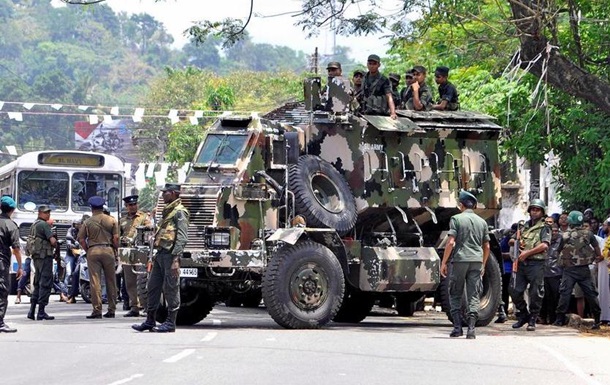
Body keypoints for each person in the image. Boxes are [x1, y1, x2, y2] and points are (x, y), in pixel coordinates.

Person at [133, 183, 189, 333]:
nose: (163, 195)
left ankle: (171, 322)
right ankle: (150, 320)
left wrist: (176, 259)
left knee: (171, 288)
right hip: (161, 254)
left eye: (166, 192)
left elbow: (182, 238)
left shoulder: (179, 212)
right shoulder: (167, 211)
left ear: (174, 193)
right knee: (152, 287)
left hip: (171, 255)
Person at [440, 190, 490, 339]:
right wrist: (484, 263)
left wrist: (444, 262)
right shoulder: (482, 222)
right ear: (473, 205)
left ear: (461, 205)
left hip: (460, 260)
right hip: (476, 261)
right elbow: (487, 246)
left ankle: (457, 328)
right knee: (473, 294)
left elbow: (450, 242)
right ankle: (471, 329)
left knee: (455, 293)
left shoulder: (456, 219)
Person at [553, 211, 602, 329]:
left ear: (570, 221)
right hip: (584, 269)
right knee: (591, 294)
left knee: (565, 293)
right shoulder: (589, 234)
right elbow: (597, 249)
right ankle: (597, 320)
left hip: (569, 269)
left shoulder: (565, 235)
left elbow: (558, 250)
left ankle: (559, 319)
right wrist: (597, 257)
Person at [509, 199, 550, 331]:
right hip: (521, 263)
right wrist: (516, 242)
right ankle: (523, 314)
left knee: (535, 292)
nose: (534, 212)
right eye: (532, 209)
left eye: (537, 210)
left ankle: (533, 318)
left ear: (542, 212)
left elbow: (545, 245)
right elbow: (512, 239)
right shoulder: (524, 226)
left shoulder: (545, 227)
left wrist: (527, 253)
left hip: (536, 263)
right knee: (514, 290)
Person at [78, 196, 119, 319]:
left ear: (91, 208)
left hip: (93, 251)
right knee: (111, 281)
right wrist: (115, 250)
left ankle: (97, 310)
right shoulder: (112, 220)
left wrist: (88, 250)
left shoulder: (87, 222)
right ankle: (112, 309)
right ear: (103, 207)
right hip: (108, 250)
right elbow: (116, 238)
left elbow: (81, 239)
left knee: (95, 282)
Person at [120, 195, 151, 317]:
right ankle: (134, 306)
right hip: (127, 252)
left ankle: (145, 306)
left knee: (142, 279)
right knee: (129, 281)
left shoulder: (143, 217)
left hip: (141, 251)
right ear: (126, 206)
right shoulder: (122, 221)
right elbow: (118, 235)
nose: (133, 207)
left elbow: (150, 229)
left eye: (134, 204)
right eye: (130, 205)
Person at [27, 205, 57, 321]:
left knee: (37, 282)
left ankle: (32, 310)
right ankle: (41, 312)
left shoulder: (34, 224)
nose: (48, 214)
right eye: (46, 213)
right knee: (45, 283)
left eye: (49, 212)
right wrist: (55, 241)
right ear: (40, 213)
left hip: (37, 257)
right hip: (45, 257)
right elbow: (53, 241)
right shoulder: (44, 225)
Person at [0, 196, 23, 332]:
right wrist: (20, 267)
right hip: (2, 262)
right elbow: (16, 249)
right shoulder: (10, 225)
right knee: (2, 290)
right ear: (13, 210)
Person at [539, 222, 562, 324]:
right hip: (544, 272)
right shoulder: (543, 241)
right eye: (553, 231)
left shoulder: (562, 241)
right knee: (545, 297)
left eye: (557, 231)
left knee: (556, 296)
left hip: (556, 273)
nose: (555, 233)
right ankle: (544, 318)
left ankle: (555, 318)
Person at [362, 54, 397, 119]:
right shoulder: (364, 77)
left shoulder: (383, 79)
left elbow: (389, 96)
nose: (372, 66)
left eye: (374, 64)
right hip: (366, 112)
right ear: (367, 64)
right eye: (370, 63)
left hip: (379, 113)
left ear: (379, 65)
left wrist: (393, 112)